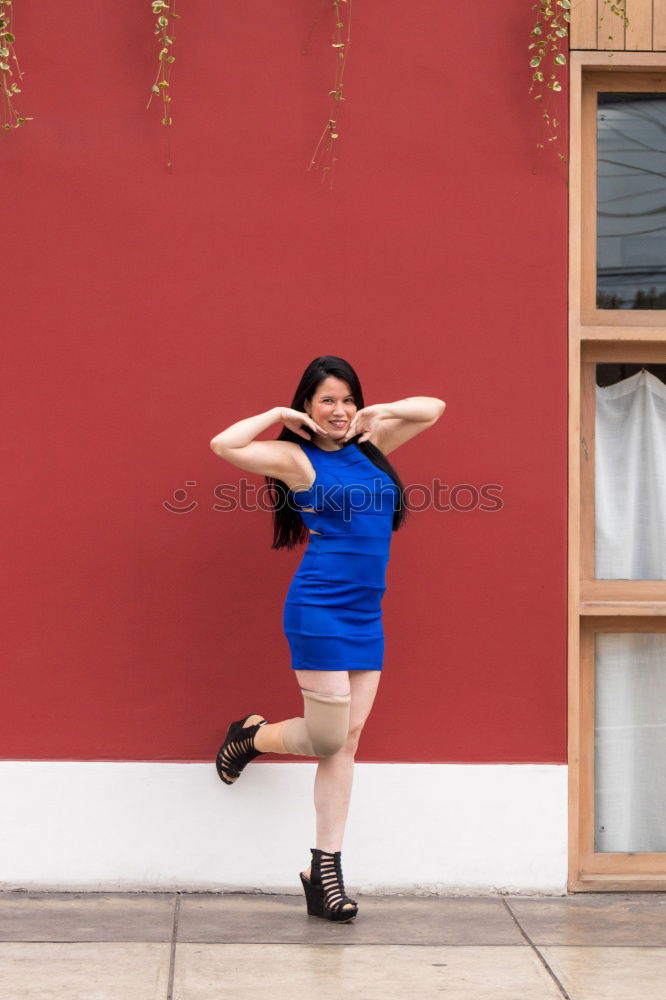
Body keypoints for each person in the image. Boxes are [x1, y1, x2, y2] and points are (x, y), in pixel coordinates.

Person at [209, 355, 445, 922]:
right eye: (326, 401)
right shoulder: (297, 458)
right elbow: (225, 444)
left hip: (367, 615)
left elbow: (433, 408)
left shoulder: (371, 442)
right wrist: (275, 414)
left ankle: (325, 870)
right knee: (324, 739)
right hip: (317, 609)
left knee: (346, 741)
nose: (339, 410)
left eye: (346, 398)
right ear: (308, 408)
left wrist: (376, 411)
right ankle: (254, 736)